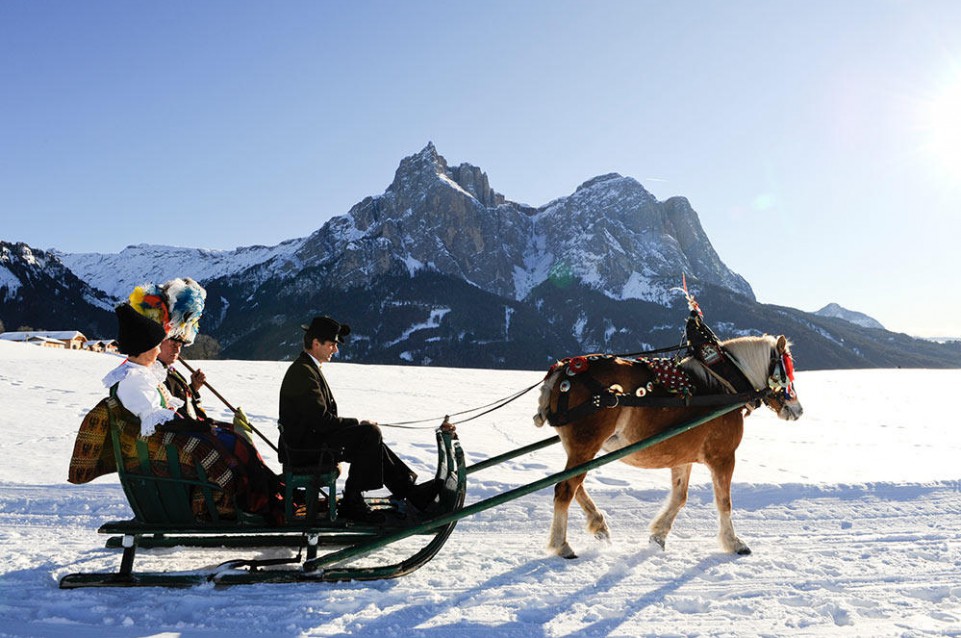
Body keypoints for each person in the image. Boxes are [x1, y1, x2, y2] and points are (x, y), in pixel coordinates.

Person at [105, 303, 283, 523]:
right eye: (156, 345)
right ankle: (243, 503)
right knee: (225, 445)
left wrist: (194, 402)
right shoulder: (135, 380)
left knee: (232, 438)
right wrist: (196, 426)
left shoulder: (145, 376)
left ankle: (261, 496)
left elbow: (170, 410)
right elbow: (157, 419)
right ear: (144, 348)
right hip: (159, 450)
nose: (160, 350)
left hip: (166, 442)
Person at [278, 316, 439, 523]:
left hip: (308, 443)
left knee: (369, 437)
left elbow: (320, 422)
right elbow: (321, 422)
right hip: (306, 449)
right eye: (331, 344)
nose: (335, 350)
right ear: (316, 343)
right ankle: (353, 502)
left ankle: (408, 490)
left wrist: (356, 427)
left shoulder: (307, 368)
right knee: (369, 434)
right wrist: (356, 424)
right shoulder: (303, 373)